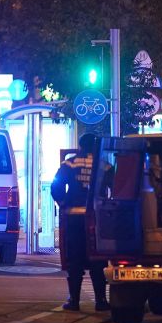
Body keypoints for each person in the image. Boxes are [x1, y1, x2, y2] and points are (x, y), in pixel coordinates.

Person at [51, 133, 109, 312]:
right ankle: (100, 301)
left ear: (80, 145)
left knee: (74, 259)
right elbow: (116, 187)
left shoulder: (69, 163)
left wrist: (63, 204)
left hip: (74, 217)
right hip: (96, 217)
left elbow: (56, 187)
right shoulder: (104, 165)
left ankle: (74, 301)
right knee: (97, 260)